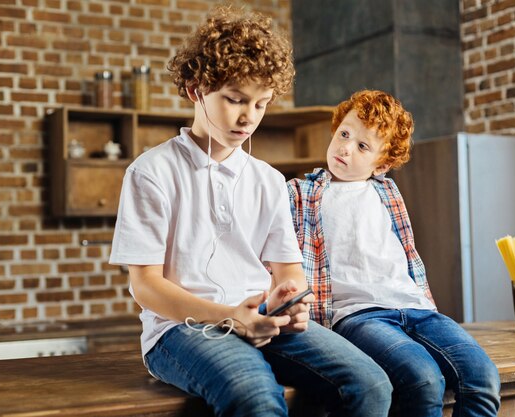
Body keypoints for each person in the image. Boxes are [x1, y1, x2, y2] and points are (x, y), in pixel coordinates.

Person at [109, 8, 392, 417]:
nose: (248, 118)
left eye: (260, 104)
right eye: (235, 100)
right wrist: (230, 317)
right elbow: (145, 286)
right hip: (180, 331)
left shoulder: (268, 180)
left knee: (370, 383)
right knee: (254, 395)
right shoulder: (151, 172)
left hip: (262, 319)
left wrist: (289, 300)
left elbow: (289, 271)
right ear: (195, 88)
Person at [287, 90, 502, 417]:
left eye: (362, 146)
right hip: (359, 315)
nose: (345, 147)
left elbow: (407, 254)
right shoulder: (302, 193)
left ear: (382, 164)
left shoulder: (387, 192)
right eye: (344, 134)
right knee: (424, 379)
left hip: (417, 309)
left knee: (483, 378)